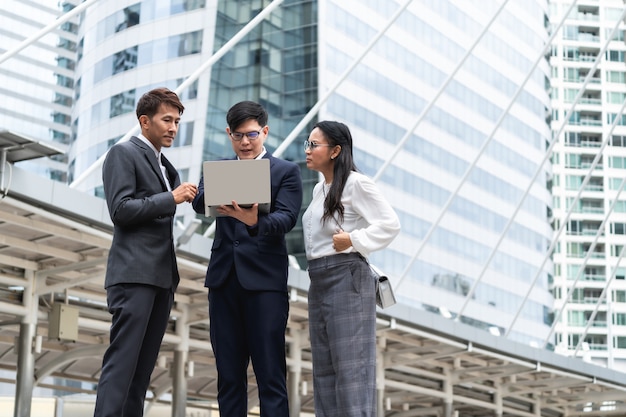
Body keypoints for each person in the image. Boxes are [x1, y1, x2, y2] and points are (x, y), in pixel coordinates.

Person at [192, 100, 303, 417]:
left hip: (265, 284)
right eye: (237, 135)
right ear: (229, 134)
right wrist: (218, 190)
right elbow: (200, 203)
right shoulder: (218, 168)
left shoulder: (286, 171)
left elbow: (287, 219)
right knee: (228, 376)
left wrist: (255, 221)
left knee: (270, 374)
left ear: (265, 132)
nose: (244, 142)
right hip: (224, 281)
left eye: (251, 135)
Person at [94, 87, 198, 417]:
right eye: (166, 120)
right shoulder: (122, 154)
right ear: (144, 121)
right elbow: (121, 210)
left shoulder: (166, 168)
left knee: (141, 373)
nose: (173, 128)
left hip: (162, 278)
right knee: (122, 364)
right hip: (134, 274)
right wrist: (172, 198)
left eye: (177, 121)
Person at [302, 121, 400, 417]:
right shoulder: (320, 189)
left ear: (335, 151)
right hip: (318, 279)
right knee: (326, 371)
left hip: (346, 276)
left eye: (313, 145)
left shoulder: (356, 183)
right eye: (307, 143)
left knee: (351, 371)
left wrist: (354, 240)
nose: (307, 150)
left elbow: (390, 224)